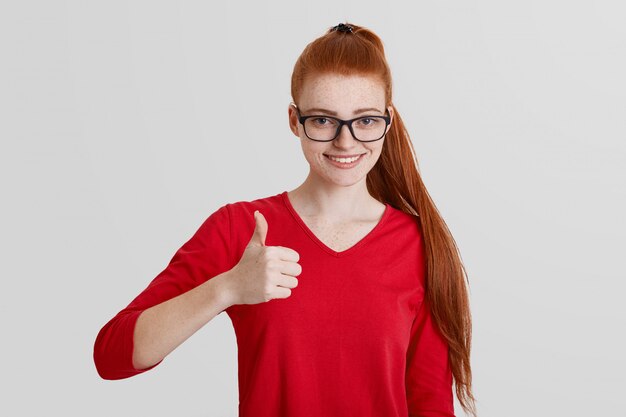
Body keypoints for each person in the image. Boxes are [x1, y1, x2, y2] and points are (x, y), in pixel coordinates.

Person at [94, 22, 476, 417]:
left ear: (387, 120)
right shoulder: (240, 229)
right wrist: (227, 288)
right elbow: (112, 355)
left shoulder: (419, 245)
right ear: (295, 120)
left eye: (364, 120)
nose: (346, 142)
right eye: (324, 120)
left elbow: (431, 404)